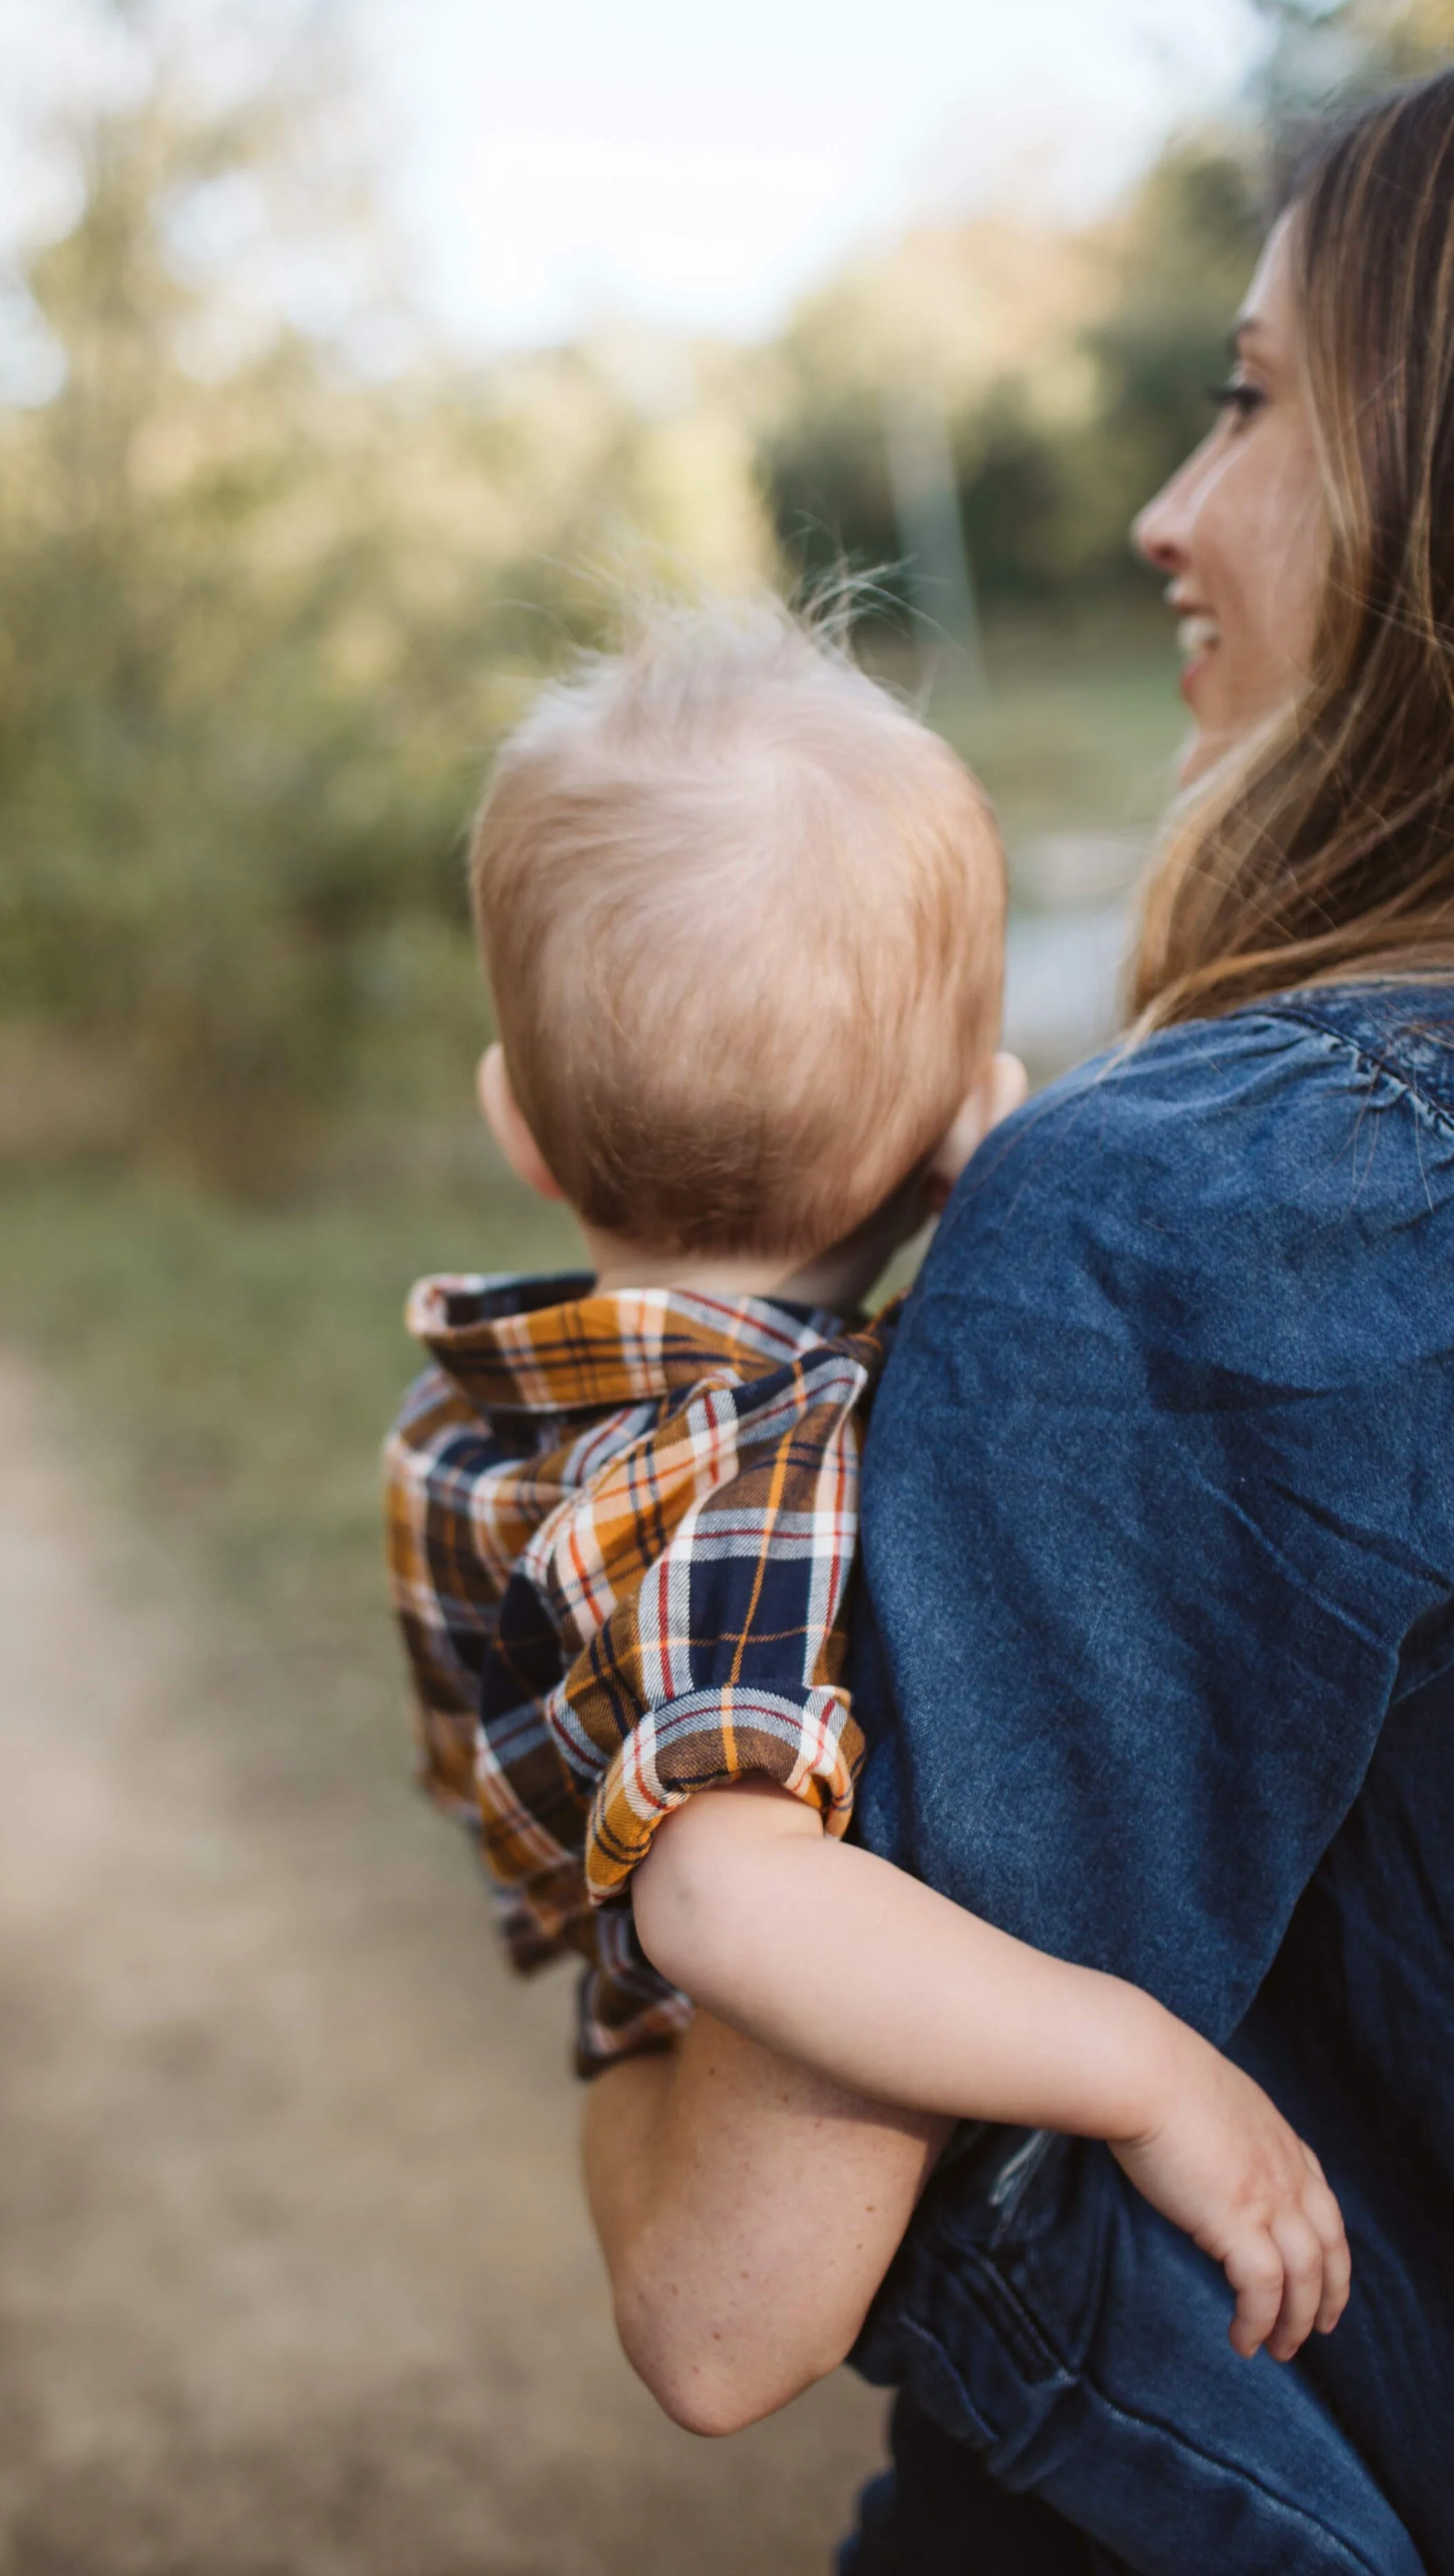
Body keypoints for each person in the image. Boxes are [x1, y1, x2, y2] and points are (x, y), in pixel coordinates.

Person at [580, 70, 1454, 2576]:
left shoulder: (1210, 1202)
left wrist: (576, 1945)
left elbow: (720, 2298)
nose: (1169, 510)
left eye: (1258, 397)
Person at [384, 604, 1400, 2570]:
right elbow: (723, 1884)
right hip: (702, 2002)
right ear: (968, 1133)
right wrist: (1138, 2063)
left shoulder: (532, 1407)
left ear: (512, 1116)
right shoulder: (722, 1469)